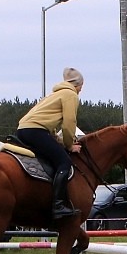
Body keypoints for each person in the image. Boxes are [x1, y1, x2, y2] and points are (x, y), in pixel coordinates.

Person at [17, 67, 83, 219]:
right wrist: (69, 145)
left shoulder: (54, 95)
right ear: (76, 84)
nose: (80, 90)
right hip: (36, 131)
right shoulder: (70, 95)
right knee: (64, 162)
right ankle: (58, 205)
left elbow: (51, 128)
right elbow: (68, 123)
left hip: (24, 129)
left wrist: (59, 142)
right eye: (81, 87)